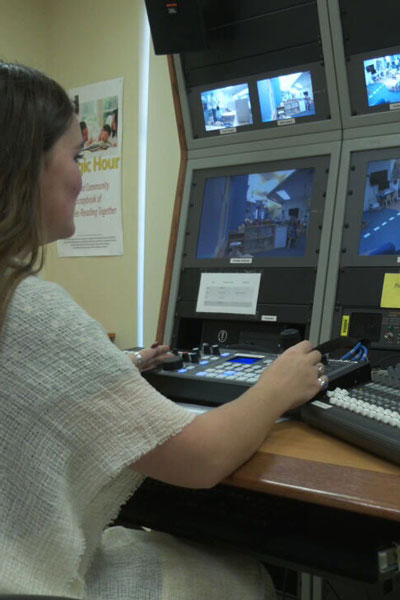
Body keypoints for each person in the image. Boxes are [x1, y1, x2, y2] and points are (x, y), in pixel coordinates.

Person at [0, 61, 327, 599]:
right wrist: (277, 386)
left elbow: (25, 383)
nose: (82, 176)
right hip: (35, 580)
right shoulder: (28, 306)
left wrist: (118, 367)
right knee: (244, 576)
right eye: (76, 157)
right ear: (25, 166)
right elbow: (200, 460)